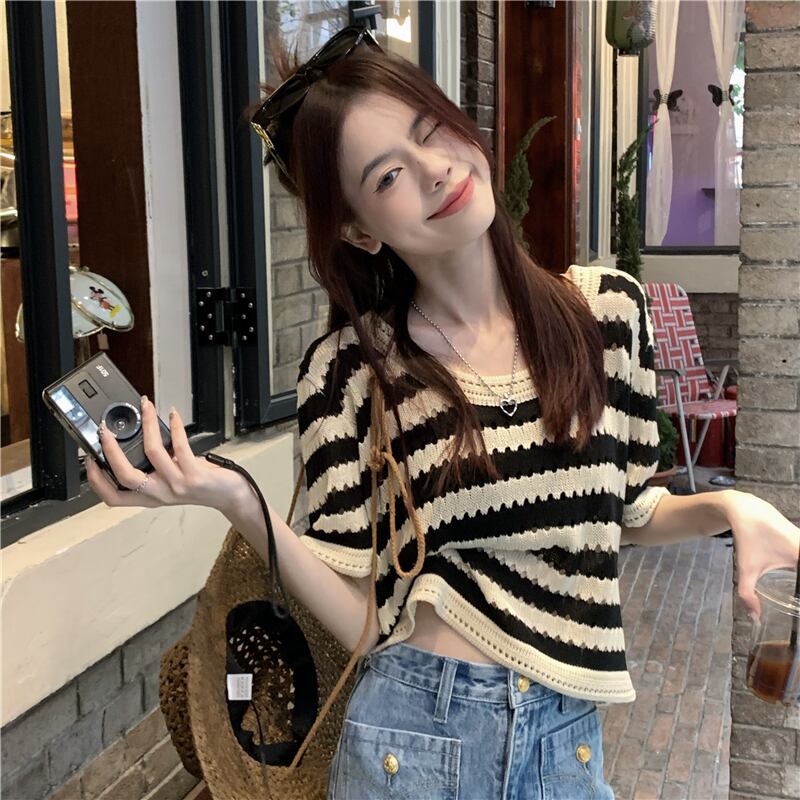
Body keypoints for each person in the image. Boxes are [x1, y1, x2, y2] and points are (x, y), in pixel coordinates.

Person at [86, 24, 799, 800]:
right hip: (412, 741)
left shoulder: (609, 316)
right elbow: (363, 619)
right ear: (359, 229)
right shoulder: (349, 374)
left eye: (431, 131)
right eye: (389, 174)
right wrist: (233, 498)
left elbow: (628, 510)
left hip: (567, 737)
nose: (435, 169)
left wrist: (731, 507)